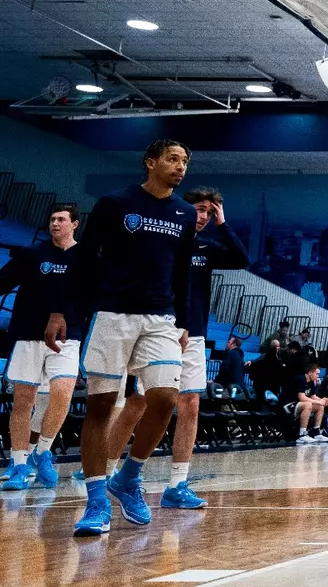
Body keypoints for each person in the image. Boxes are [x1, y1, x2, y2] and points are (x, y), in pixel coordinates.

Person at [48, 139, 197, 536]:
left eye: (184, 161)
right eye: (172, 159)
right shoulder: (115, 204)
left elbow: (182, 270)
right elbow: (81, 259)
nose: (180, 167)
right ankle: (97, 501)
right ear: (150, 163)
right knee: (100, 408)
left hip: (160, 318)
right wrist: (61, 310)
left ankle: (128, 477)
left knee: (164, 400)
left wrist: (182, 320)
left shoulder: (183, 213)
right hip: (111, 315)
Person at [153, 187, 250, 509]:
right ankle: (115, 470)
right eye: (200, 208)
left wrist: (223, 223)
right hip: (158, 330)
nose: (204, 215)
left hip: (193, 334)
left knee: (190, 404)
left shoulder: (207, 246)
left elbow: (241, 259)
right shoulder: (164, 237)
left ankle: (177, 483)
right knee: (146, 404)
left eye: (210, 211)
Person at [0, 203, 82, 490]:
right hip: (27, 335)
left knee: (62, 394)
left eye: (61, 219)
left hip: (67, 338)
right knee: (24, 401)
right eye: (52, 219)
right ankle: (19, 463)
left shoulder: (85, 258)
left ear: (75, 224)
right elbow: (2, 281)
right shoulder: (33, 254)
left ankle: (43, 450)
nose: (55, 224)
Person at [286, 363, 328, 442]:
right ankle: (302, 434)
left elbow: (312, 396)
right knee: (308, 404)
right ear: (309, 373)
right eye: (317, 374)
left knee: (320, 407)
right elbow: (302, 397)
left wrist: (322, 400)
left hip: (298, 404)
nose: (318, 376)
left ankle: (316, 432)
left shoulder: (311, 382)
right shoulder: (300, 379)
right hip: (288, 405)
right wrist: (319, 402)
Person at [249, 337, 287, 404]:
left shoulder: (265, 357)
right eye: (278, 346)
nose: (279, 348)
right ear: (276, 347)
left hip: (261, 386)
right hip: (270, 387)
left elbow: (254, 367)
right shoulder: (277, 361)